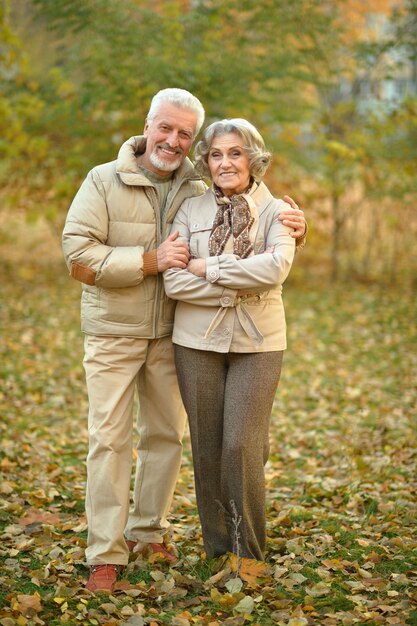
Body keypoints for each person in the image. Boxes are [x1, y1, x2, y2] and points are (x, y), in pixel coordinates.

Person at [62, 89, 306, 592]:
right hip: (115, 330)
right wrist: (150, 261)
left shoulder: (194, 183)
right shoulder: (103, 181)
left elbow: (256, 221)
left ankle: (148, 531)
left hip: (173, 334)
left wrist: (296, 233)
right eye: (165, 128)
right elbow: (78, 258)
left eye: (184, 134)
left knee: (165, 438)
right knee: (109, 439)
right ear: (147, 125)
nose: (172, 141)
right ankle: (105, 553)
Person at [164, 118, 301, 562]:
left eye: (236, 153)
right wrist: (242, 278)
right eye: (217, 154)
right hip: (195, 341)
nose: (225, 163)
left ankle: (249, 554)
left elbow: (276, 268)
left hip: (259, 342)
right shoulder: (189, 210)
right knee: (206, 447)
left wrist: (207, 268)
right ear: (206, 160)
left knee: (241, 445)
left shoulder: (279, 211)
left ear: (253, 158)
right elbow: (173, 283)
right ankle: (218, 550)